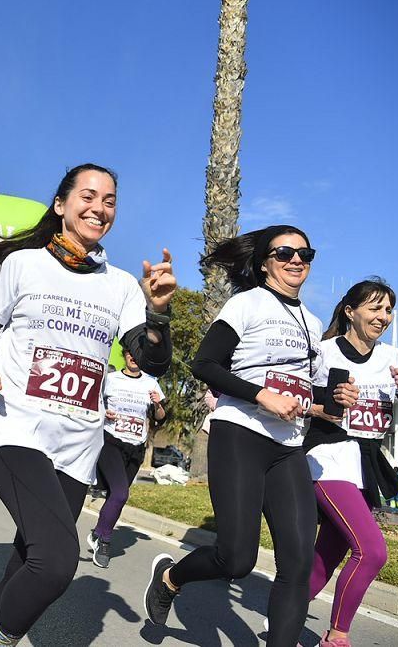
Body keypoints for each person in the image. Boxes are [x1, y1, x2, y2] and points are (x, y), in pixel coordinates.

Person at [0, 164, 175, 645]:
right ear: (60, 205)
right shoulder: (23, 265)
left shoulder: (120, 285)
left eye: (110, 200)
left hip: (78, 447)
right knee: (57, 563)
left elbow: (151, 358)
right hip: (16, 429)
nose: (99, 207)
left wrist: (159, 311)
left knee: (26, 557)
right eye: (89, 196)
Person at [143, 225, 325, 647]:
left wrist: (329, 401)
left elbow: (308, 393)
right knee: (236, 558)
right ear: (264, 263)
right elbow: (204, 364)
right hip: (241, 433)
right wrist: (262, 395)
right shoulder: (247, 304)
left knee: (298, 563)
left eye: (305, 253)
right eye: (285, 252)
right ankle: (170, 578)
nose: (296, 260)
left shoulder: (313, 323)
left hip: (288, 447)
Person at [304, 278, 398, 647]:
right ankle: (337, 637)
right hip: (326, 458)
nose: (383, 316)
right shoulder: (325, 352)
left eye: (388, 310)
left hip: (366, 464)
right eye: (375, 308)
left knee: (330, 551)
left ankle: (284, 616)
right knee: (372, 551)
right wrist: (331, 400)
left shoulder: (394, 358)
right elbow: (299, 405)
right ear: (350, 311)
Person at [87, 349, 166, 568]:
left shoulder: (151, 383)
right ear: (125, 354)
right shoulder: (110, 380)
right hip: (111, 442)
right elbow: (92, 404)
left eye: (140, 355)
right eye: (132, 353)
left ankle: (97, 532)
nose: (135, 358)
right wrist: (104, 413)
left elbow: (161, 418)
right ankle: (104, 540)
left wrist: (158, 405)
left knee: (116, 495)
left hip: (136, 448)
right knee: (121, 494)